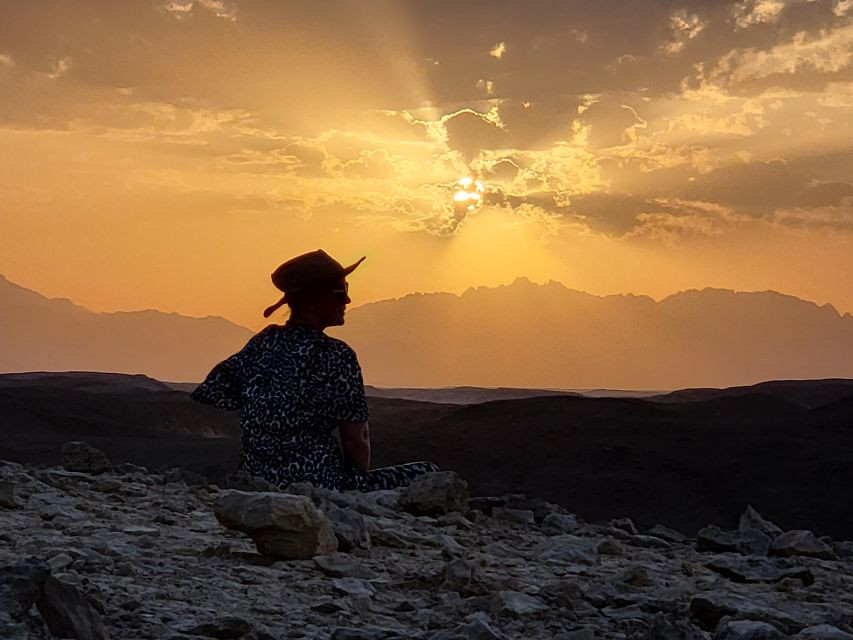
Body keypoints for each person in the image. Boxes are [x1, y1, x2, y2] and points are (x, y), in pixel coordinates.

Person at [191, 249, 439, 492]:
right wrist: (357, 491)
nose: (347, 300)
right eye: (340, 292)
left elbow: (213, 391)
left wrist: (266, 417)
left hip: (255, 480)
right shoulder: (335, 355)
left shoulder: (262, 342)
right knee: (428, 474)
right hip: (320, 486)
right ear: (312, 301)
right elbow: (356, 439)